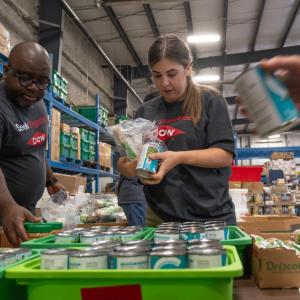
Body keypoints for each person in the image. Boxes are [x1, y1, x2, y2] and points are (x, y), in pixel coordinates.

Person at [118, 35, 236, 226]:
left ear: (188, 68)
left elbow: (224, 155)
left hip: (211, 216)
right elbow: (127, 163)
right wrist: (130, 168)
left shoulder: (210, 100)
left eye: (172, 74)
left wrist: (178, 157)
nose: (164, 83)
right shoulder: (145, 111)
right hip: (161, 218)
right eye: (157, 75)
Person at [0, 42, 64, 246]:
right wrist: (8, 206)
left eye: (42, 82)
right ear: (6, 71)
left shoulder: (38, 105)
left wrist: (51, 180)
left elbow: (37, 146)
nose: (34, 89)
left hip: (22, 213)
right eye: (26, 78)